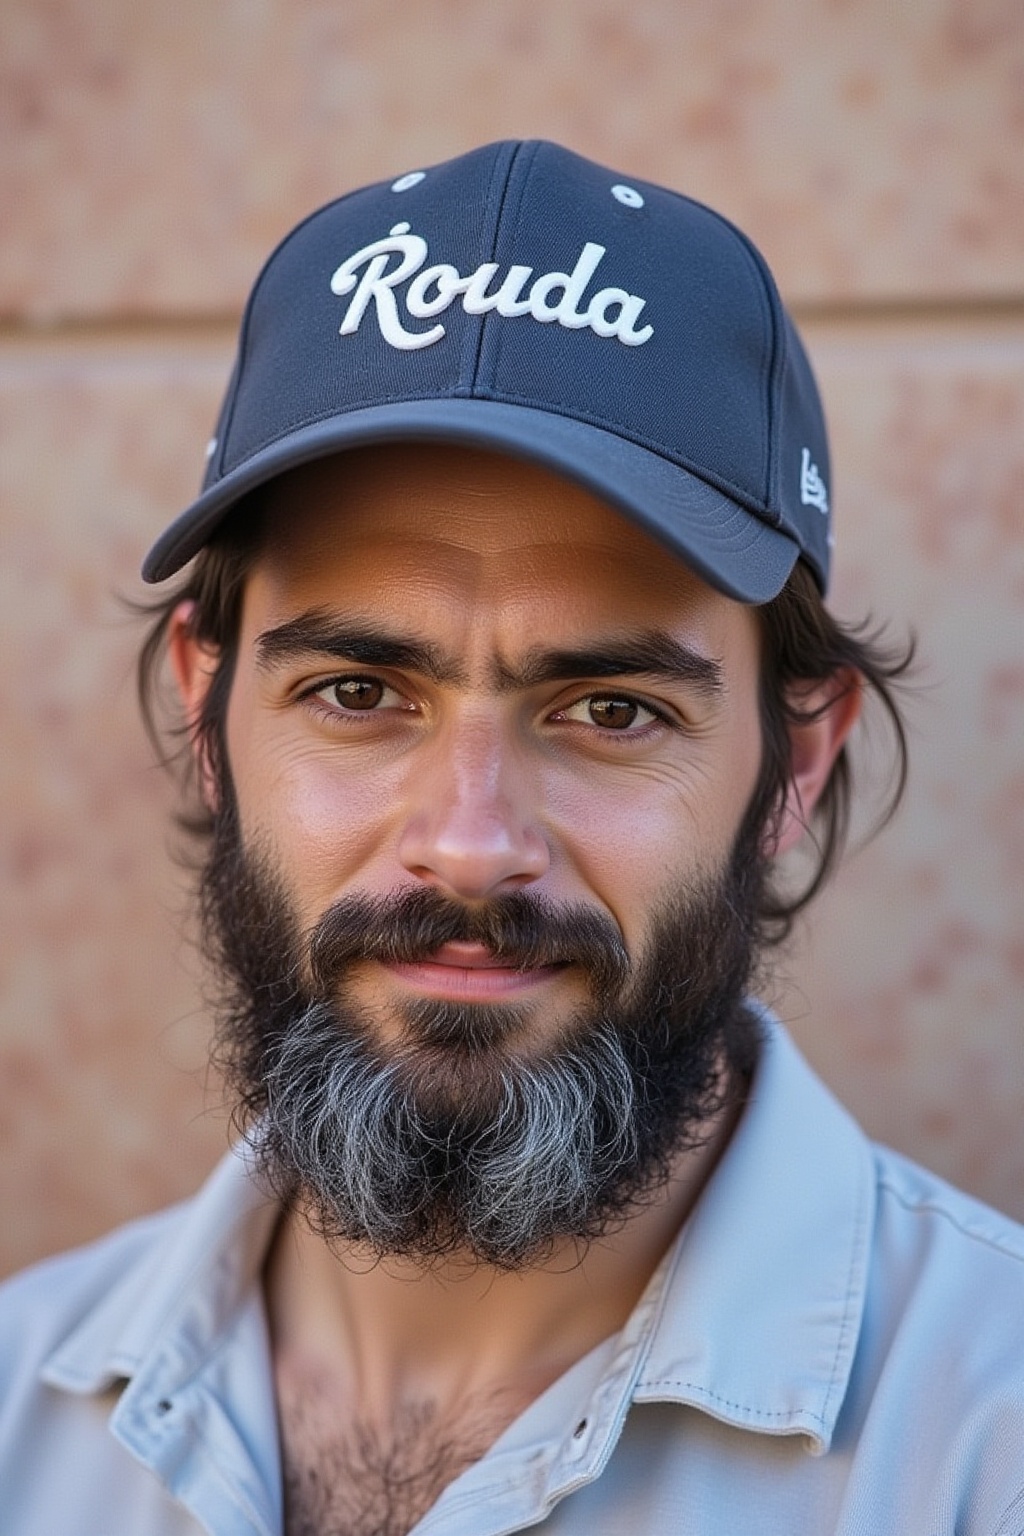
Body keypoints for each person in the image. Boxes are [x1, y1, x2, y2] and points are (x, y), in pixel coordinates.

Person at [1, 139, 1022, 1536]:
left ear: (797, 763)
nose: (472, 845)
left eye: (610, 707)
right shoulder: (16, 1418)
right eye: (358, 693)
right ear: (206, 710)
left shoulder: (986, 1443)